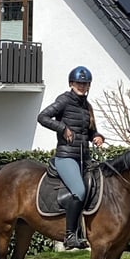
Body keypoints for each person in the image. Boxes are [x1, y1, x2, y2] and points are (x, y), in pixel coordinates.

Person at [37, 66, 105, 249]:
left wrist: (97, 136)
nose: (82, 86)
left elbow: (90, 131)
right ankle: (69, 236)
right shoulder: (64, 101)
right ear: (71, 84)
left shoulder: (87, 107)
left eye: (85, 83)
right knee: (79, 191)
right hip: (66, 157)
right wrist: (62, 128)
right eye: (79, 83)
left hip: (84, 158)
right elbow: (42, 117)